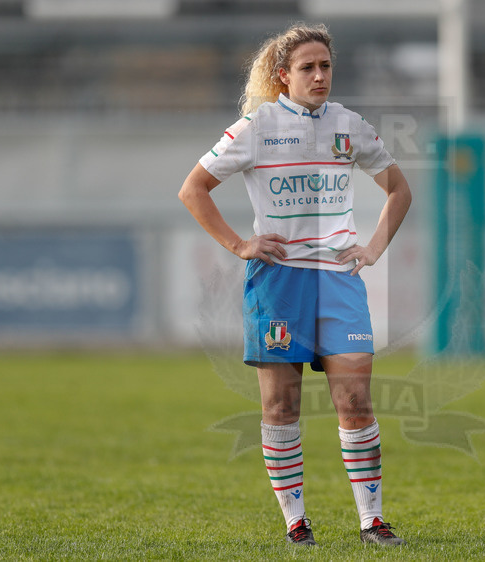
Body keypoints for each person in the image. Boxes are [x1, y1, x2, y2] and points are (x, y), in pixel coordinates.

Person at [178, 22, 411, 547]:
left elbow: (399, 190)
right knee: (281, 407)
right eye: (307, 67)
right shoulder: (255, 128)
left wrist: (371, 249)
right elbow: (193, 189)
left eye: (326, 66)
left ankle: (372, 520)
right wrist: (241, 245)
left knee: (355, 399)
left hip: (339, 280)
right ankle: (295, 522)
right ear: (283, 76)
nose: (319, 75)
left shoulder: (350, 125)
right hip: (279, 281)